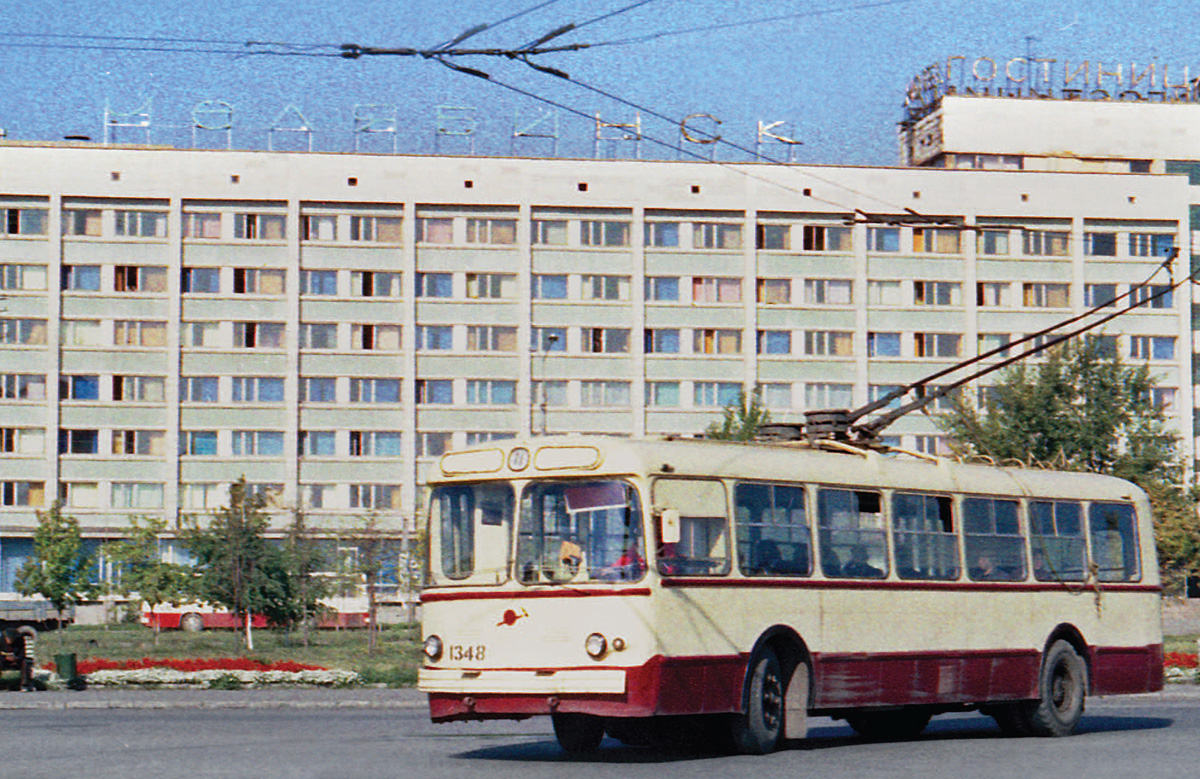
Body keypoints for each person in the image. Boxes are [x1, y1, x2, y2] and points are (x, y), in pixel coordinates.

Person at [0, 627, 34, 691]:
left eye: (12, 639)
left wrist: (16, 658)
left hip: (16, 660)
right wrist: (5, 656)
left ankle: (25, 684)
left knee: (25, 662)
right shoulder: (1, 641)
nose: (10, 641)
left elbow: (22, 654)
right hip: (4, 660)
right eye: (8, 639)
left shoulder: (19, 642)